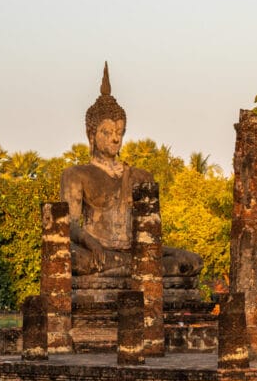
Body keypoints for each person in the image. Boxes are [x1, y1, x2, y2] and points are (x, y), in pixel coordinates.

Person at [60, 64, 202, 278]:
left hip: (137, 252)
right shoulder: (76, 175)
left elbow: (151, 231)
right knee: (67, 255)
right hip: (97, 252)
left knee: (192, 261)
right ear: (91, 135)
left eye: (119, 132)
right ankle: (136, 268)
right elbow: (69, 225)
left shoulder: (140, 176)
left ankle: (126, 268)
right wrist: (91, 242)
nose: (115, 138)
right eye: (107, 132)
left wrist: (146, 253)